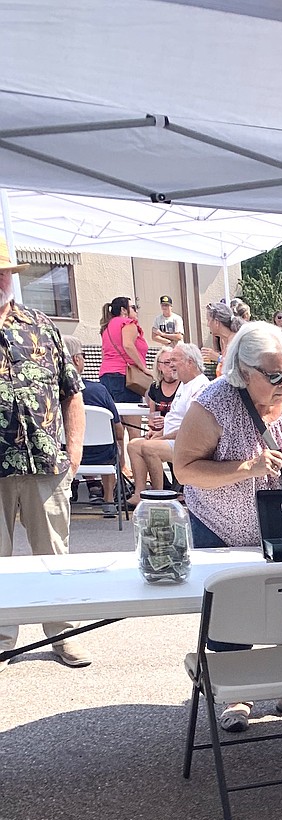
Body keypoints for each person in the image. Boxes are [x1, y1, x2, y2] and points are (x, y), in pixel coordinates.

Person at [173, 322, 282, 730]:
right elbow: (184, 470)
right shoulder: (213, 403)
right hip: (223, 527)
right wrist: (246, 468)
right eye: (274, 376)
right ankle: (237, 696)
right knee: (233, 612)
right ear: (244, 370)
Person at [0, 240, 88, 668]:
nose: (2, 280)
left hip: (46, 461)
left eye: (5, 273)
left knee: (53, 555)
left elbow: (73, 392)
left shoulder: (39, 324)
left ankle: (61, 633)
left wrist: (74, 451)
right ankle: (2, 637)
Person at [128, 342, 210, 501]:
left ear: (190, 362)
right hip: (172, 438)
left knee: (149, 447)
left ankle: (159, 497)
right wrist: (158, 433)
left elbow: (192, 428)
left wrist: (162, 437)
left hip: (188, 444)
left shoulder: (199, 386)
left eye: (174, 360)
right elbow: (173, 419)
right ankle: (139, 494)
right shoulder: (184, 384)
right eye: (167, 361)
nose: (172, 365)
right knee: (133, 445)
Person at [63, 335, 123, 518]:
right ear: (76, 359)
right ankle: (108, 500)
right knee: (113, 446)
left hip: (66, 453)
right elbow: (118, 430)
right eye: (84, 355)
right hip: (101, 455)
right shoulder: (99, 391)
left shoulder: (54, 391)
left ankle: (66, 494)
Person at [98, 296, 148, 403]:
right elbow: (128, 345)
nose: (136, 311)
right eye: (133, 307)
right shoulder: (128, 323)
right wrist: (143, 368)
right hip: (124, 376)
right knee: (131, 415)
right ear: (123, 310)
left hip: (105, 375)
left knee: (115, 416)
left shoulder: (106, 327)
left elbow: (104, 353)